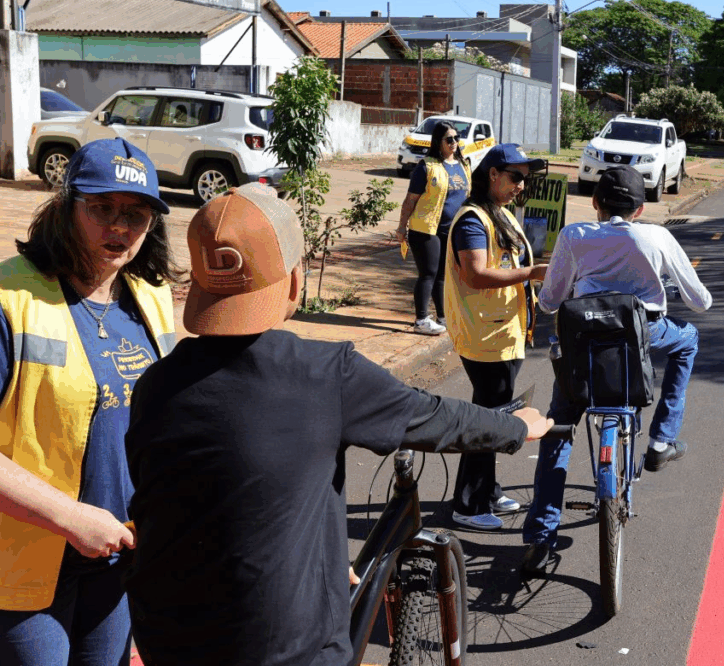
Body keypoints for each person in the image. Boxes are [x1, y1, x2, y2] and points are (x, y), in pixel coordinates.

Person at [122, 182, 553, 666]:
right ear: (292, 279)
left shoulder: (155, 383)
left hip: (162, 631)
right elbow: (434, 415)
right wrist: (516, 427)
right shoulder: (326, 373)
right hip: (283, 645)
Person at [0, 137, 177, 665]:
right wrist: (69, 517)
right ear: (66, 206)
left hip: (119, 559)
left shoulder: (150, 296)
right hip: (24, 565)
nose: (120, 227)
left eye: (137, 213)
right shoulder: (11, 301)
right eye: (102, 208)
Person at [520, 166, 712, 575]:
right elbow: (701, 302)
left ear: (595, 203)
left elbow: (551, 302)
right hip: (641, 338)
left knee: (558, 430)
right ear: (641, 208)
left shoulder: (575, 236)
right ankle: (662, 440)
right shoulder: (657, 236)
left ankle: (540, 534)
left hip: (584, 347)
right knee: (688, 339)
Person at [443, 143, 548, 531]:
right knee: (488, 419)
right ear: (493, 174)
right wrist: (532, 274)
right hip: (486, 338)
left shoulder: (498, 213)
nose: (521, 185)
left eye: (525, 179)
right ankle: (468, 506)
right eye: (516, 177)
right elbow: (475, 275)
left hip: (503, 333)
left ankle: (487, 490)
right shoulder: (473, 219)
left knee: (494, 415)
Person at [396, 121, 471, 335]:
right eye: (449, 139)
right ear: (438, 142)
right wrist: (401, 227)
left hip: (451, 229)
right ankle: (421, 320)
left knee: (442, 275)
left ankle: (443, 316)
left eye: (457, 138)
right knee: (428, 273)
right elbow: (410, 200)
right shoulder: (426, 166)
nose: (454, 142)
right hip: (426, 229)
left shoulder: (464, 165)